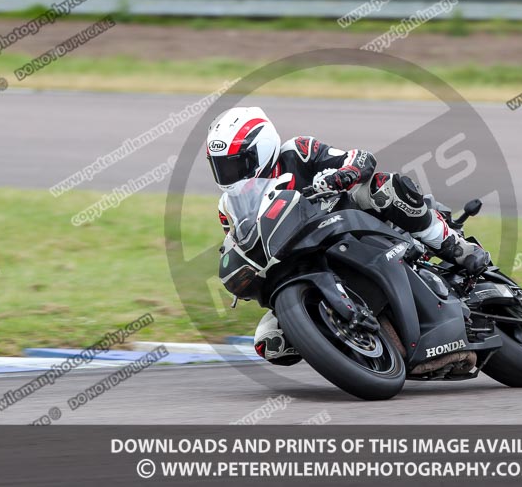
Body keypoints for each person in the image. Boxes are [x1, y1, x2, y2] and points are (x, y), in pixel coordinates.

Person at [206, 106, 489, 364]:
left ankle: (453, 245)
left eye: (234, 164)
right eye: (220, 166)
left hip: (349, 224)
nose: (228, 174)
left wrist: (343, 174)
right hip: (301, 260)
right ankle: (358, 346)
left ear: (262, 149)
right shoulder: (228, 206)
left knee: (383, 188)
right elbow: (243, 243)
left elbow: (360, 158)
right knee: (270, 343)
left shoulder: (297, 152)